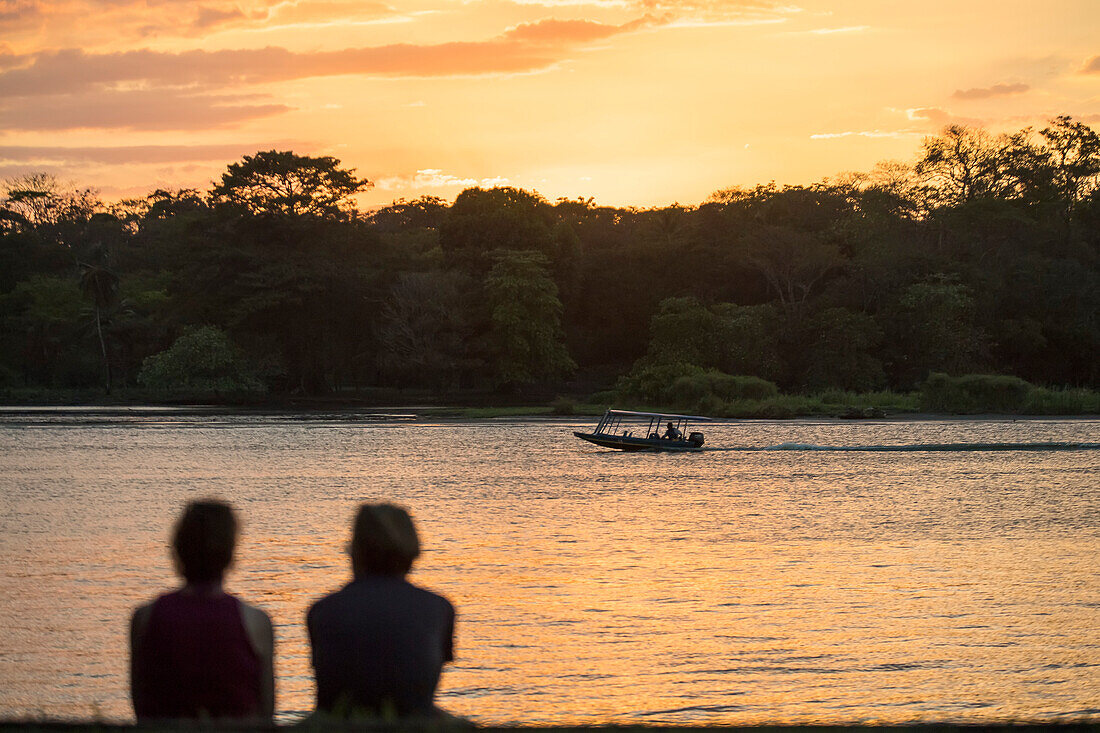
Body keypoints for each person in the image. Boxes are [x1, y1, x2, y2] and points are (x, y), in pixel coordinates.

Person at [130, 500, 274, 722]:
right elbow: (266, 714)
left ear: (178, 548)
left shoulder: (145, 618)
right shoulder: (255, 622)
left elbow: (141, 708)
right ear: (230, 553)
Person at [307, 503, 455, 719]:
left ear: (356, 552)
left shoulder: (322, 611)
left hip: (341, 723)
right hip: (413, 723)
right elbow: (423, 687)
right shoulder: (439, 608)